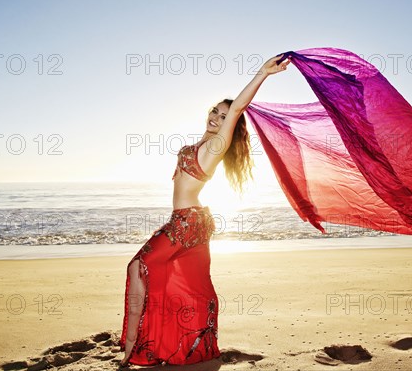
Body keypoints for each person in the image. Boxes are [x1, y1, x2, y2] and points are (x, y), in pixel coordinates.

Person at [119, 54, 291, 367]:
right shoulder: (201, 143)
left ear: (231, 124)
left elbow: (239, 106)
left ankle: (133, 346)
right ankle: (175, 344)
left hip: (187, 223)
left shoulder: (215, 148)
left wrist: (262, 74)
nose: (216, 117)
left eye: (224, 116)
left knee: (138, 266)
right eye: (215, 110)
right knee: (187, 284)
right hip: (186, 221)